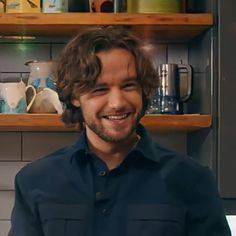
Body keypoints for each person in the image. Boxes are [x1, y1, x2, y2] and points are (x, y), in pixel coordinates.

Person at [10, 26, 231, 236]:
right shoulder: (35, 181)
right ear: (75, 97)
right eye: (99, 89)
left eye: (128, 86)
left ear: (143, 90)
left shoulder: (192, 180)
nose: (117, 103)